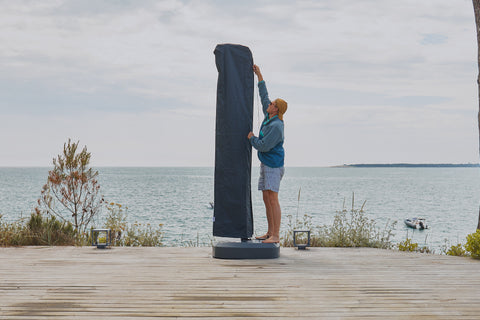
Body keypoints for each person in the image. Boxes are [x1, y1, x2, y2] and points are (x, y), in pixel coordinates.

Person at [248, 64, 287, 244]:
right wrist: (259, 75)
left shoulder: (277, 126)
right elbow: (264, 95)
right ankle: (270, 233)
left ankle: (276, 236)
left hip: (273, 165)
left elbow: (263, 146)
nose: (269, 103)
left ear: (276, 109)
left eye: (272, 104)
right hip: (266, 163)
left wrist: (251, 138)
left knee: (273, 199)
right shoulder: (269, 116)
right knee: (266, 198)